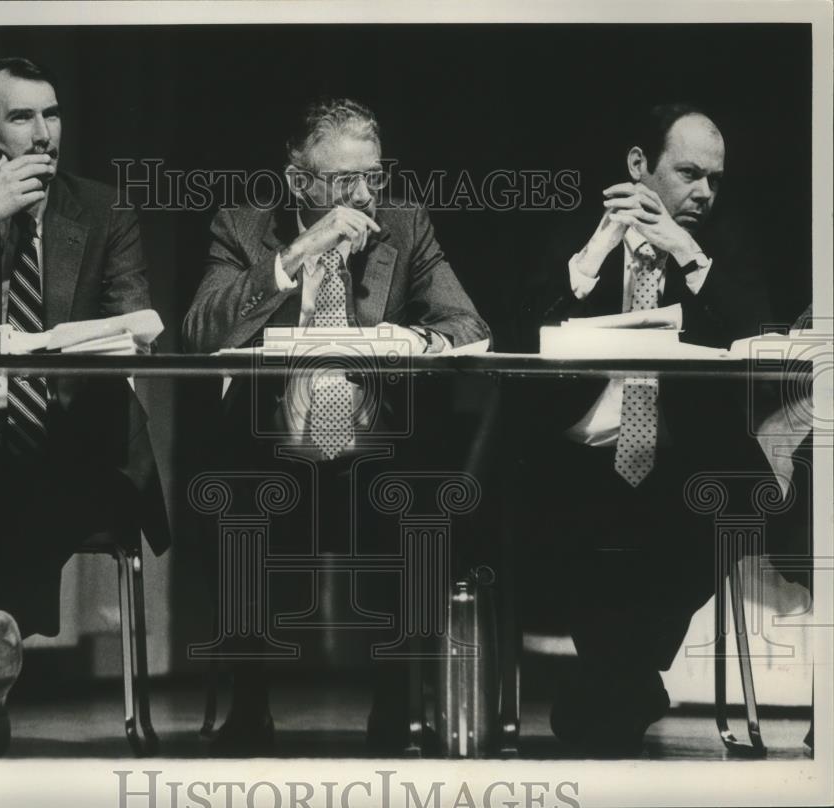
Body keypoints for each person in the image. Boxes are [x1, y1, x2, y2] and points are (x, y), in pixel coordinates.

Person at [183, 97, 490, 754]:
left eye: (373, 176)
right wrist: (296, 256)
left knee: (424, 497)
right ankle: (249, 707)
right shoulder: (243, 226)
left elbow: (467, 326)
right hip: (275, 450)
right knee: (230, 498)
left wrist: (406, 338)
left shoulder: (403, 227)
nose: (364, 194)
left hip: (372, 447)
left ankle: (399, 708)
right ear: (299, 182)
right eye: (344, 180)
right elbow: (201, 330)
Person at [0, 57, 169, 757]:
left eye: (52, 114)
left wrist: (74, 347)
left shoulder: (105, 213)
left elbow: (134, 323)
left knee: (21, 463)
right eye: (21, 117)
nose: (44, 133)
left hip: (78, 435)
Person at [518, 103, 773, 753]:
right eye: (689, 174)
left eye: (715, 178)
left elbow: (758, 339)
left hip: (681, 457)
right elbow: (518, 338)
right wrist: (596, 253)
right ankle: (627, 679)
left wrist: (688, 254)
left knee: (719, 506)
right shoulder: (577, 231)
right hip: (581, 455)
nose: (704, 193)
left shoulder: (725, 238)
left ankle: (618, 677)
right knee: (539, 508)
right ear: (639, 166)